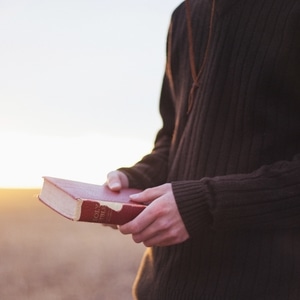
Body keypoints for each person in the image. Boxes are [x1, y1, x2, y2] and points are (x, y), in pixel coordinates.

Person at [106, 0, 300, 299]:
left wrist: (206, 204)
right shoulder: (184, 15)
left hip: (265, 286)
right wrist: (140, 178)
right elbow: (174, 135)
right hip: (163, 286)